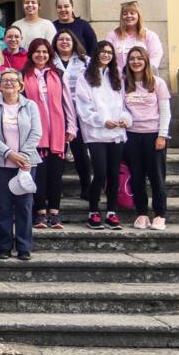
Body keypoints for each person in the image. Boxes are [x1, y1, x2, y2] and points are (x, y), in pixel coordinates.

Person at [0, 70, 43, 261]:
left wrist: (23, 156)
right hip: (1, 163)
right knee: (3, 206)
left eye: (13, 80)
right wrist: (9, 154)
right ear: (0, 86)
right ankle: (4, 246)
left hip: (26, 163)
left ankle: (24, 247)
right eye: (5, 81)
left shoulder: (30, 106)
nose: (9, 83)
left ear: (21, 85)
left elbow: (36, 132)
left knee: (25, 206)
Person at [75, 41, 132, 230]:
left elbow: (124, 105)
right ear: (96, 53)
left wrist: (124, 119)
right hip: (96, 132)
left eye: (109, 52)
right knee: (99, 172)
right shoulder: (86, 77)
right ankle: (93, 212)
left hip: (116, 133)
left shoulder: (117, 77)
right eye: (103, 52)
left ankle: (111, 213)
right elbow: (83, 107)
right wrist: (103, 121)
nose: (106, 55)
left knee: (113, 173)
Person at [23, 38, 75, 231]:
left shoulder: (58, 74)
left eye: (45, 52)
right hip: (36, 136)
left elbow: (67, 102)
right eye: (37, 52)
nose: (41, 55)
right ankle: (40, 212)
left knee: (56, 176)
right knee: (39, 176)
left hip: (58, 133)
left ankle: (55, 212)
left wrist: (72, 127)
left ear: (50, 54)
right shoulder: (24, 75)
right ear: (31, 54)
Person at [123, 45, 171, 231]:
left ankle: (159, 214)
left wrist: (162, 135)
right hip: (132, 136)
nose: (136, 61)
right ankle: (141, 213)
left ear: (146, 61)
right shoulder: (124, 83)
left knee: (157, 177)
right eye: (132, 58)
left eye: (139, 58)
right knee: (137, 177)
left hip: (153, 136)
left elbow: (165, 112)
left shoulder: (157, 83)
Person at [52, 29, 93, 203]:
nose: (64, 42)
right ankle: (55, 190)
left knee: (80, 152)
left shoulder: (85, 61)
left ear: (74, 41)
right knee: (58, 152)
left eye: (68, 39)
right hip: (57, 111)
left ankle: (86, 187)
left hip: (80, 111)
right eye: (60, 39)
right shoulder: (50, 61)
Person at [106, 0, 165, 72]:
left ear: (138, 15)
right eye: (125, 13)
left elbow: (155, 57)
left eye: (132, 13)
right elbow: (108, 56)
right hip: (118, 78)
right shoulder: (112, 35)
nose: (128, 16)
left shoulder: (150, 36)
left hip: (143, 78)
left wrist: (142, 74)